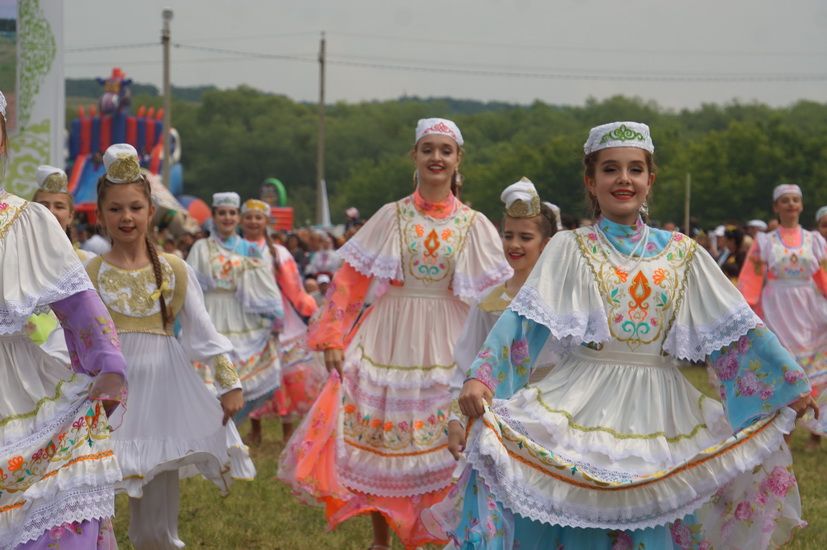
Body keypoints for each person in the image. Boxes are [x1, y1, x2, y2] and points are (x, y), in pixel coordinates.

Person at [431, 122, 816, 549]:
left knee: (655, 518)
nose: (623, 179)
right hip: (582, 401)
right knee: (580, 519)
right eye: (610, 169)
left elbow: (738, 330)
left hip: (661, 409)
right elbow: (523, 323)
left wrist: (786, 381)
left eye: (635, 169)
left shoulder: (683, 254)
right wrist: (481, 377)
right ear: (590, 182)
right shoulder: (569, 248)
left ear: (650, 180)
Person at [279, 117, 512, 549]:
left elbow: (494, 295)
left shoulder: (475, 224)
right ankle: (381, 539)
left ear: (458, 159)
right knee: (383, 432)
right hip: (390, 332)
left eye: (445, 150)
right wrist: (332, 334)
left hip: (449, 334)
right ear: (415, 157)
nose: (436, 158)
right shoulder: (392, 215)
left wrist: (502, 350)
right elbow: (351, 280)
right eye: (428, 149)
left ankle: (439, 533)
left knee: (446, 438)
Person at [89, 144, 254, 549]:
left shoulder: (174, 269)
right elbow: (74, 337)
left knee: (155, 516)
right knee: (91, 494)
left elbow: (203, 330)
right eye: (115, 209)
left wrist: (228, 382)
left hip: (163, 393)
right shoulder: (90, 271)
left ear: (151, 211)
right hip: (108, 396)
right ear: (100, 214)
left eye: (135, 207)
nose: (126, 217)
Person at [0, 90, 128, 549]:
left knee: (48, 502)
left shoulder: (27, 221)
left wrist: (107, 364)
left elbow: (77, 302)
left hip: (17, 380)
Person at [446, 178, 557, 460]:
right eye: (508, 235)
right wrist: (455, 420)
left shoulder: (561, 304)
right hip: (498, 415)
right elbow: (467, 363)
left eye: (525, 237)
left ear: (546, 244)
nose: (515, 244)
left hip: (552, 417)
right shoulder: (489, 302)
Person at [738, 184, 827, 447]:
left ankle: (815, 430)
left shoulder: (815, 241)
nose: (790, 205)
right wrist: (745, 310)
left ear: (801, 206)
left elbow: (822, 275)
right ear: (776, 206)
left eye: (795, 200)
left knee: (814, 367)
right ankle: (782, 432)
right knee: (782, 367)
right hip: (777, 307)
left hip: (808, 310)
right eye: (785, 201)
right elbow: (751, 279)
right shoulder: (765, 241)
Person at [186, 192, 284, 420]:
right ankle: (211, 431)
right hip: (209, 313)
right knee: (209, 379)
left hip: (242, 314)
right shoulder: (201, 247)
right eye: (222, 213)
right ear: (214, 216)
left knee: (242, 378)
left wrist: (275, 315)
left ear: (238, 217)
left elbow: (265, 284)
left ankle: (233, 428)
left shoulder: (249, 249)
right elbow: (189, 285)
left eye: (232, 213)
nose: (227, 218)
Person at [238, 199, 325, 446]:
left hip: (280, 318)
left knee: (285, 376)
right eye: (249, 217)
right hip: (246, 319)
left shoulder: (279, 253)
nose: (253, 222)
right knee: (250, 374)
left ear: (266, 222)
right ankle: (254, 428)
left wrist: (310, 310)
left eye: (258, 218)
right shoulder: (233, 251)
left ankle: (287, 431)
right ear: (241, 220)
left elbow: (294, 287)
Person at [26, 165, 96, 349]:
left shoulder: (88, 263)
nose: (51, 212)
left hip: (73, 359)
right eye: (43, 205)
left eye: (59, 206)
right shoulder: (17, 261)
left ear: (71, 215)